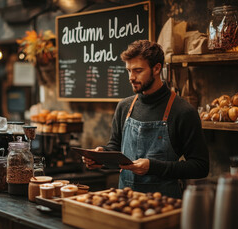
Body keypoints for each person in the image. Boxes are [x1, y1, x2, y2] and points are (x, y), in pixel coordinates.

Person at [83, 40, 209, 198]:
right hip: (125, 201)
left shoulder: (183, 111)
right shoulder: (124, 107)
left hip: (165, 204)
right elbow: (115, 147)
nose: (131, 77)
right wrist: (101, 156)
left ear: (156, 69)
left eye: (137, 71)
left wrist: (153, 167)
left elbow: (200, 166)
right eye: (128, 70)